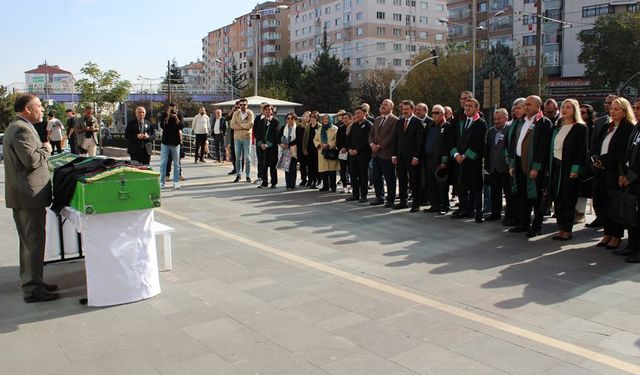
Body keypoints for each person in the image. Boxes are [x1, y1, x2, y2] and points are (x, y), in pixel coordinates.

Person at [4, 93, 58, 303]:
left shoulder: (20, 126)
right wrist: (46, 149)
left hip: (26, 195)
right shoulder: (21, 129)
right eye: (39, 106)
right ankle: (33, 289)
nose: (42, 110)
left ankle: (34, 281)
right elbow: (31, 160)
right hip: (28, 196)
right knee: (33, 242)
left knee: (30, 243)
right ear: (28, 108)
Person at [507, 95, 553, 237]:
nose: (525, 107)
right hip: (520, 163)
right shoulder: (521, 122)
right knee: (522, 195)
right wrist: (512, 164)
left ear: (538, 107)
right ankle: (523, 222)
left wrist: (536, 167)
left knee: (536, 197)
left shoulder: (544, 123)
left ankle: (537, 225)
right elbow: (515, 144)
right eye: (525, 104)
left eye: (529, 104)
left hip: (533, 167)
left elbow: (542, 148)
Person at [593, 97, 635, 250]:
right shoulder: (608, 127)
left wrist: (605, 161)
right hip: (602, 170)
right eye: (611, 109)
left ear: (624, 111)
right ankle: (607, 233)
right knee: (603, 202)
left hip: (615, 172)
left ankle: (616, 235)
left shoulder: (628, 128)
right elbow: (599, 145)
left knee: (614, 204)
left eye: (616, 109)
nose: (613, 111)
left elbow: (621, 152)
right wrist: (597, 158)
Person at [549, 99, 588, 241]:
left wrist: (575, 169)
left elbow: (581, 150)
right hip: (556, 166)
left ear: (574, 110)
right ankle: (560, 228)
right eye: (563, 107)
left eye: (569, 107)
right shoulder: (557, 127)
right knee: (558, 198)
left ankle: (567, 230)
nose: (565, 110)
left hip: (569, 168)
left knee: (568, 198)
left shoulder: (580, 128)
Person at [450, 98, 487, 223]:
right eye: (466, 105)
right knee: (461, 186)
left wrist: (464, 156)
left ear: (477, 108)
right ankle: (463, 209)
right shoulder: (461, 122)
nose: (467, 108)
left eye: (471, 106)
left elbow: (478, 144)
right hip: (459, 160)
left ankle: (478, 212)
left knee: (475, 188)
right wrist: (456, 155)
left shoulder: (480, 123)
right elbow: (453, 140)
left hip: (472, 161)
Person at [587, 94, 618, 228]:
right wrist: (594, 157)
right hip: (598, 164)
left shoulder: (623, 124)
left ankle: (612, 224)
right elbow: (594, 142)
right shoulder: (600, 121)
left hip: (612, 167)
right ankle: (600, 217)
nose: (607, 105)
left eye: (610, 103)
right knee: (597, 192)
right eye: (606, 103)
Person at [618, 98, 640, 263]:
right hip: (630, 179)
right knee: (632, 215)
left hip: (637, 178)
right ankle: (632, 246)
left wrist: (630, 176)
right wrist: (623, 174)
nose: (637, 110)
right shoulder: (637, 128)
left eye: (639, 108)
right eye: (636, 108)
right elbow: (628, 153)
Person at [392, 100, 424, 212]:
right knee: (401, 179)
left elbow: (420, 141)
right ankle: (403, 201)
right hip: (400, 157)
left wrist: (416, 156)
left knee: (414, 180)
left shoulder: (417, 122)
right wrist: (394, 155)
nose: (404, 111)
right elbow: (395, 139)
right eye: (403, 109)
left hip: (412, 157)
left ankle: (416, 204)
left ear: (413, 109)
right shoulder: (400, 122)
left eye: (407, 109)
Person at [369, 99, 398, 207]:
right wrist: (372, 144)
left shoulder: (395, 120)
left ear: (391, 107)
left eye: (386, 105)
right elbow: (371, 134)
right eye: (382, 104)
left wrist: (380, 146)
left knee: (389, 177)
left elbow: (392, 136)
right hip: (375, 154)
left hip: (386, 153)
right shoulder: (377, 119)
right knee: (376, 177)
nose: (383, 106)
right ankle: (379, 197)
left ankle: (390, 199)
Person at [484, 108, 511, 221]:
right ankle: (495, 213)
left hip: (505, 168)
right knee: (495, 193)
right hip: (493, 168)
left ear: (506, 118)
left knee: (508, 194)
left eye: (499, 118)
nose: (496, 121)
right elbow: (488, 149)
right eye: (495, 119)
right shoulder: (491, 131)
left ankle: (509, 215)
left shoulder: (509, 130)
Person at [422, 104, 450, 214]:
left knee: (441, 185)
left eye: (437, 113)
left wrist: (444, 161)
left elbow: (447, 146)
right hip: (429, 159)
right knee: (431, 183)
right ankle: (435, 205)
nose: (434, 115)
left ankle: (445, 206)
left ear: (443, 114)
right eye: (433, 113)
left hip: (440, 161)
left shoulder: (447, 127)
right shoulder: (430, 126)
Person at [345, 107, 372, 203]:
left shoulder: (368, 125)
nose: (357, 115)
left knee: (363, 175)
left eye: (359, 113)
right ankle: (355, 194)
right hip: (352, 154)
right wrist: (350, 149)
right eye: (355, 113)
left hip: (363, 154)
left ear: (365, 113)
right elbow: (348, 139)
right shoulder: (354, 125)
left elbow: (366, 141)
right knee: (353, 174)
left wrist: (357, 150)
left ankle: (363, 195)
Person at [254, 104, 280, 188]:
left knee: (273, 166)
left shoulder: (276, 121)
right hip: (262, 148)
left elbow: (275, 135)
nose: (268, 111)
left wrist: (267, 144)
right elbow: (257, 134)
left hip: (272, 148)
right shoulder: (261, 121)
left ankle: (274, 182)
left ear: (272, 111)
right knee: (263, 165)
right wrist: (261, 144)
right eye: (266, 110)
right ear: (263, 111)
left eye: (269, 109)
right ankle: (264, 182)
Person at [230, 98, 254, 183]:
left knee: (248, 158)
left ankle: (248, 176)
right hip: (237, 138)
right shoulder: (235, 113)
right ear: (239, 105)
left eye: (244, 105)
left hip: (247, 137)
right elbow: (232, 125)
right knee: (238, 158)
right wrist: (243, 126)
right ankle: (238, 175)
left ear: (247, 105)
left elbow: (250, 125)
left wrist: (239, 125)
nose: (242, 106)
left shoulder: (250, 113)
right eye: (241, 105)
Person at [159, 105, 183, 189]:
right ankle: (162, 182)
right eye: (171, 108)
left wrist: (176, 118)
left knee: (176, 163)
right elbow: (162, 126)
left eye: (175, 108)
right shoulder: (164, 115)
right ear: (168, 108)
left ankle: (176, 182)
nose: (173, 110)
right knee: (163, 163)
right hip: (165, 142)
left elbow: (181, 127)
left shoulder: (179, 115)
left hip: (175, 143)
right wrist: (168, 117)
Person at [314, 114, 340, 192]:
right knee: (323, 171)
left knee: (332, 171)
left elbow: (336, 140)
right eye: (324, 119)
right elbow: (315, 139)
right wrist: (319, 144)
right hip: (322, 152)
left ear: (330, 119)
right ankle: (325, 186)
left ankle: (333, 186)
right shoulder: (320, 129)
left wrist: (329, 145)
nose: (325, 120)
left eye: (327, 119)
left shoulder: (335, 129)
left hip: (331, 151)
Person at [278, 113, 305, 189]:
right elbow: (278, 137)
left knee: (293, 168)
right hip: (285, 151)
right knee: (286, 168)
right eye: (288, 118)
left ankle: (292, 185)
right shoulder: (283, 128)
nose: (289, 120)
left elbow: (299, 139)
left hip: (294, 151)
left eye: (291, 118)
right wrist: (281, 144)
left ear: (295, 120)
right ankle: (287, 184)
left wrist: (289, 144)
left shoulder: (298, 128)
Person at [336, 110, 351, 193]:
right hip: (342, 152)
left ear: (350, 119)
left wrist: (347, 148)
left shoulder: (353, 127)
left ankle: (351, 185)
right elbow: (338, 140)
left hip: (350, 151)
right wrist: (341, 148)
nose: (344, 120)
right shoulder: (340, 128)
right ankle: (344, 186)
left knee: (351, 170)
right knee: (343, 169)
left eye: (346, 118)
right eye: (343, 118)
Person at [306, 112, 321, 188]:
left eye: (314, 117)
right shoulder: (308, 127)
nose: (312, 118)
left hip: (317, 149)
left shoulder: (320, 126)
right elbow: (305, 139)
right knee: (310, 166)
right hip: (309, 148)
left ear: (317, 118)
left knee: (317, 165)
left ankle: (318, 179)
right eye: (311, 117)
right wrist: (305, 149)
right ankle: (312, 180)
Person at [298, 111, 312, 186]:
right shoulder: (299, 126)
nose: (306, 117)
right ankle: (303, 179)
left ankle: (310, 179)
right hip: (301, 149)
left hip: (309, 149)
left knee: (310, 165)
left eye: (308, 116)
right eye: (305, 116)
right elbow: (298, 138)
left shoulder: (311, 126)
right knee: (302, 165)